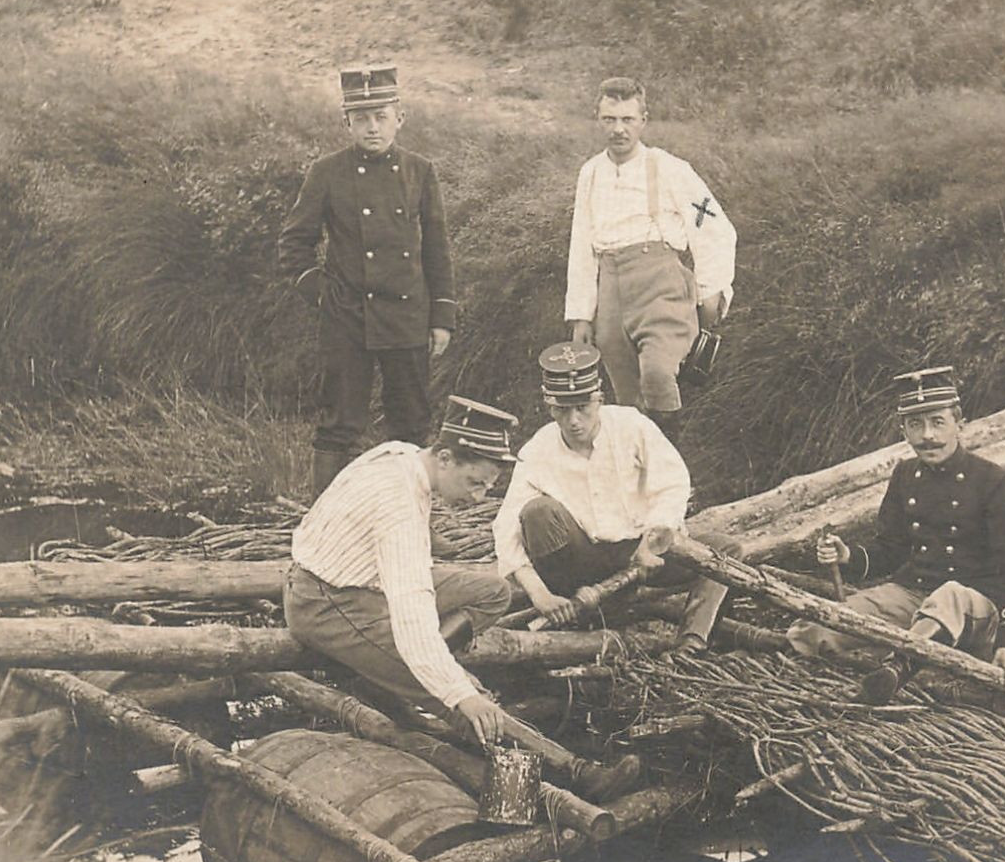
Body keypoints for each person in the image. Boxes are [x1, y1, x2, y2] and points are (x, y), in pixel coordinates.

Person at [786, 368, 1005, 704]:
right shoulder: (905, 475)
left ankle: (896, 668)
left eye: (937, 422)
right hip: (914, 596)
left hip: (977, 607)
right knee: (811, 630)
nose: (927, 436)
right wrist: (847, 555)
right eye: (915, 425)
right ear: (903, 430)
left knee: (950, 595)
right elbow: (890, 549)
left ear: (959, 423)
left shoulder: (992, 481)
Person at [284, 396, 518, 745]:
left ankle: (385, 669)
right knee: (466, 697)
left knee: (494, 592)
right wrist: (458, 690)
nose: (480, 497)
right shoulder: (399, 507)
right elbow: (412, 614)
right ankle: (571, 768)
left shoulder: (402, 454)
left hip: (365, 584)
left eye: (487, 486)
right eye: (474, 483)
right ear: (445, 458)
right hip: (325, 604)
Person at [278, 63, 458, 499]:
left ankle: (413, 519)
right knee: (340, 423)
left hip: (406, 317)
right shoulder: (327, 172)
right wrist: (324, 295)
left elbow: (436, 247)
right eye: (361, 119)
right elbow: (293, 243)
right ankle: (325, 522)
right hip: (347, 318)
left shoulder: (420, 171)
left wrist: (441, 317)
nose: (372, 128)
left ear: (400, 118)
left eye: (381, 117)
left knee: (412, 422)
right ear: (347, 123)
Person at [493, 342, 732, 652]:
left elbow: (671, 483)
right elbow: (506, 527)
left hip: (639, 553)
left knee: (726, 550)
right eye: (563, 410)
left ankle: (692, 640)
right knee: (538, 512)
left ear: (599, 399)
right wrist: (539, 593)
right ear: (550, 407)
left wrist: (653, 541)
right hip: (581, 562)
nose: (574, 420)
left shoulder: (632, 426)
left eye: (582, 407)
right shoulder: (538, 449)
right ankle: (581, 617)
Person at [563, 77, 737, 432]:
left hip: (660, 283)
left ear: (644, 120)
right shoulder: (591, 173)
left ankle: (671, 477)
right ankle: (639, 478)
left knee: (658, 373)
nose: (618, 130)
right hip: (610, 286)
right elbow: (581, 244)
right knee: (627, 397)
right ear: (597, 119)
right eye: (609, 119)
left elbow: (714, 227)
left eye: (627, 119)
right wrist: (581, 315)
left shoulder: (670, 168)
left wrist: (710, 291)